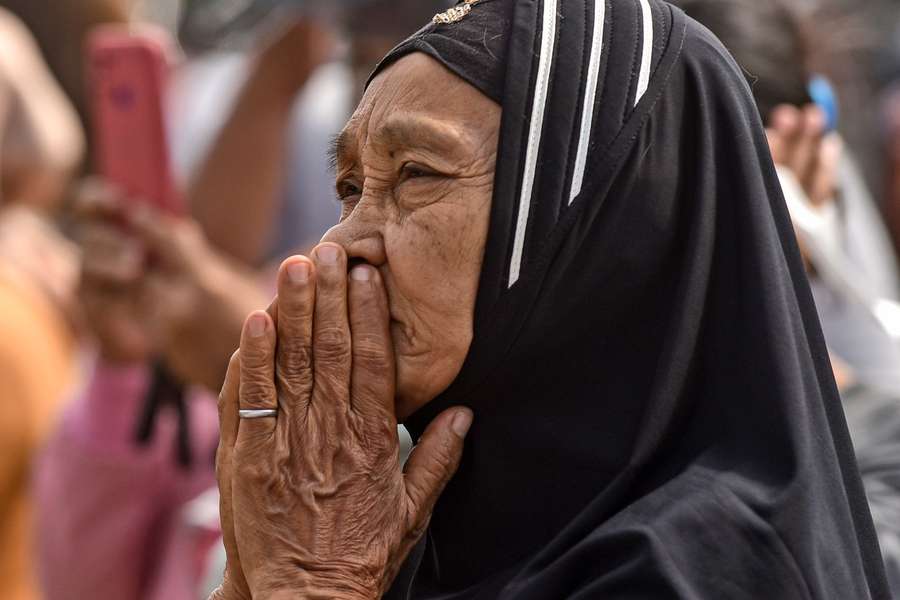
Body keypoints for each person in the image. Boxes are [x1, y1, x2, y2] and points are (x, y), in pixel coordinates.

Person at [210, 0, 889, 598]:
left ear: (606, 229)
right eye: (351, 189)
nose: (339, 246)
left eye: (416, 174)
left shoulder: (705, 567)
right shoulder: (414, 525)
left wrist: (310, 586)